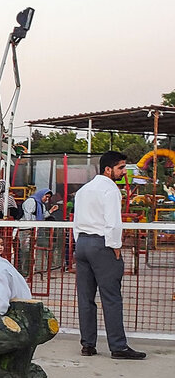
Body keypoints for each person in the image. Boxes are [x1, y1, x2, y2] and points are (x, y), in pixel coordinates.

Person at [74, 151, 145, 360]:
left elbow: (76, 221)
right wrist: (115, 245)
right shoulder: (110, 189)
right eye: (121, 167)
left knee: (85, 298)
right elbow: (113, 221)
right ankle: (118, 346)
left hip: (83, 243)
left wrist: (80, 242)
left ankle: (88, 344)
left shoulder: (84, 190)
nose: (124, 172)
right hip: (102, 244)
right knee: (111, 297)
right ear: (108, 169)